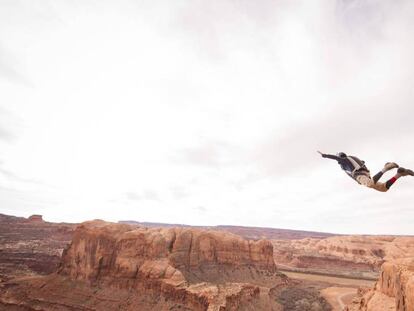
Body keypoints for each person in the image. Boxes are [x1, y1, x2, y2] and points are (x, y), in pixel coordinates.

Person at [318, 151, 414, 192]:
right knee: (383, 188)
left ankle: (386, 168)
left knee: (370, 184)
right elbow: (363, 162)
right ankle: (399, 174)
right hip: (365, 174)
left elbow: (335, 158)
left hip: (359, 175)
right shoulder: (353, 157)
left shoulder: (344, 160)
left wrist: (325, 155)